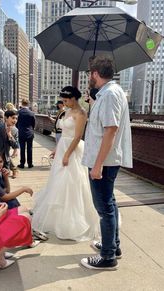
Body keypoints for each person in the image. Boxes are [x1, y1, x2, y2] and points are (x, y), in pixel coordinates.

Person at [81, 56, 132, 271]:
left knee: (104, 209)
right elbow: (105, 123)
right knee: (109, 203)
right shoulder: (108, 93)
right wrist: (93, 102)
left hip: (103, 161)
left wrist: (98, 165)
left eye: (89, 74)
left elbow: (110, 130)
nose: (88, 78)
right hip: (105, 160)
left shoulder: (110, 94)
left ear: (95, 74)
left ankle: (108, 256)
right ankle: (114, 246)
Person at [32, 86, 100, 241]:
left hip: (73, 150)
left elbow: (77, 137)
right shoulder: (67, 111)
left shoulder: (81, 113)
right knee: (58, 182)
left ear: (74, 98)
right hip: (63, 146)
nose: (64, 102)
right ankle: (58, 217)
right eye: (63, 100)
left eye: (66, 100)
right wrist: (57, 149)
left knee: (73, 183)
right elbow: (63, 133)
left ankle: (74, 220)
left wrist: (67, 154)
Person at [17, 98, 36, 169]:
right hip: (29, 133)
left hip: (21, 132)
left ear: (21, 103)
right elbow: (33, 123)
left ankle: (22, 163)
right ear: (28, 104)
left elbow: (16, 122)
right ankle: (30, 164)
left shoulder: (19, 112)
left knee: (22, 148)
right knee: (29, 148)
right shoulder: (31, 113)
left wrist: (19, 128)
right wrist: (31, 129)